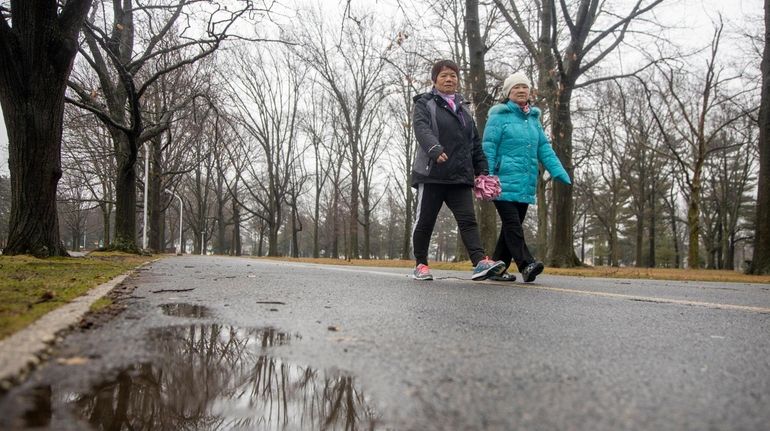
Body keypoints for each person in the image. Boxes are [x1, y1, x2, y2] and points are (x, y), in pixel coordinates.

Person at [411, 59, 505, 281]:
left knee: (468, 221)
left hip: (459, 176)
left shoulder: (464, 110)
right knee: (425, 222)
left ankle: (479, 262)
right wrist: (434, 148)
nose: (449, 79)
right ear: (435, 80)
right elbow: (421, 128)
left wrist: (482, 170)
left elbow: (473, 142)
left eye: (453, 75)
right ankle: (421, 264)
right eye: (444, 75)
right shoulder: (425, 103)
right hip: (432, 173)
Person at [482, 71, 572, 283]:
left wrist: (558, 170)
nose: (521, 91)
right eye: (516, 88)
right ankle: (526, 264)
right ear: (508, 93)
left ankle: (497, 268)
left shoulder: (533, 120)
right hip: (501, 182)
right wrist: (487, 176)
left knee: (509, 228)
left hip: (525, 181)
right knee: (513, 225)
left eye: (525, 87)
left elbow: (544, 148)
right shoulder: (498, 115)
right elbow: (488, 147)